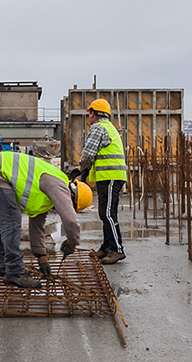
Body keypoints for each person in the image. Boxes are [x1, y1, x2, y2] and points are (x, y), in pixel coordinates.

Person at [0, 151, 91, 288]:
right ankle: (14, 272)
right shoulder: (59, 185)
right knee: (11, 223)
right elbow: (71, 221)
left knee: (3, 224)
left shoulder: (47, 194)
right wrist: (73, 242)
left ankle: (5, 266)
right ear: (72, 196)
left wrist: (41, 257)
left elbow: (37, 225)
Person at [77, 98, 128, 265]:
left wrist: (82, 168)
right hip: (109, 176)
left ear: (93, 113)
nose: (89, 117)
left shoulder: (98, 128)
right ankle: (107, 246)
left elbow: (88, 153)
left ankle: (117, 249)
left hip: (110, 176)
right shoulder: (109, 127)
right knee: (104, 213)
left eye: (89, 113)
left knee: (108, 214)